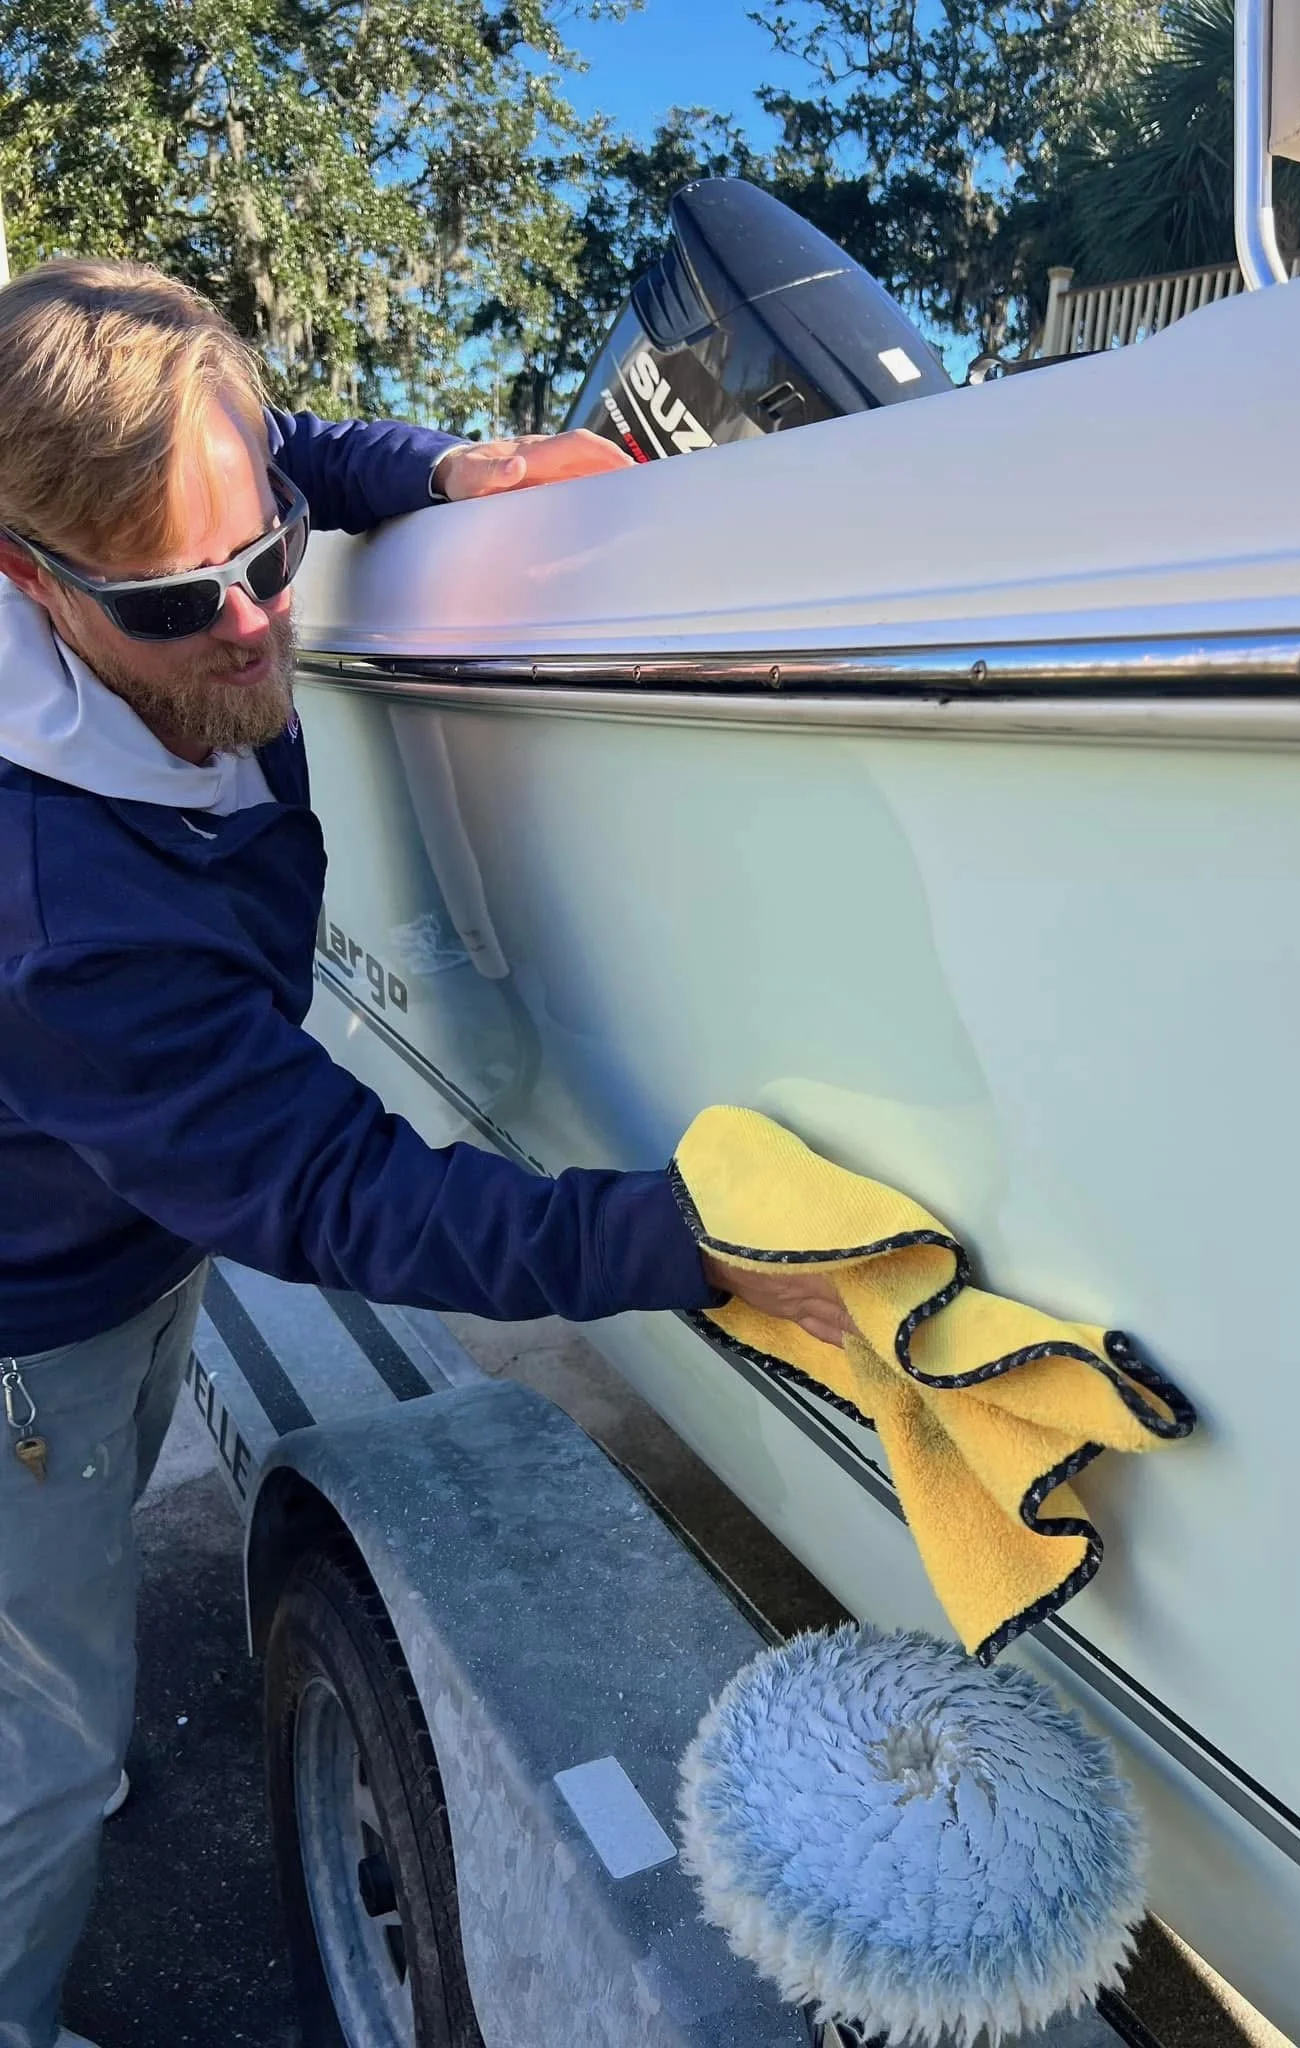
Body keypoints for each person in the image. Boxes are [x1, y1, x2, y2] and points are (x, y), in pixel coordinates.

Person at [0, 258, 848, 2048]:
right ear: (28, 576)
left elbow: (279, 447)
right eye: (176, 601)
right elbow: (337, 1190)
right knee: (46, 1759)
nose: (248, 626)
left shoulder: (166, 528)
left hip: (116, 1234)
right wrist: (682, 1250)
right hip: (27, 1329)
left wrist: (439, 471)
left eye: (267, 559)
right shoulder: (55, 906)